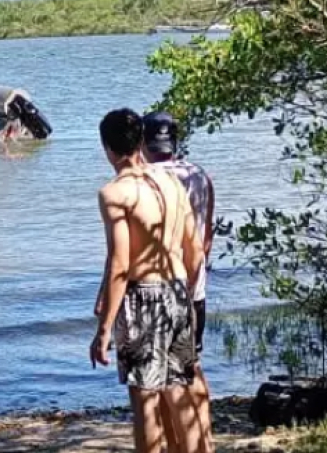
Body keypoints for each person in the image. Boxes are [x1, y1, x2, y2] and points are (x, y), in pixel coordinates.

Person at [90, 108, 209, 453]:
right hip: (177, 290)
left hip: (143, 297)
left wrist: (103, 330)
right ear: (141, 141)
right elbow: (195, 250)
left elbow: (119, 264)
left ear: (107, 148)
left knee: (145, 402)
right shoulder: (172, 183)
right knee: (180, 394)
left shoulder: (115, 193)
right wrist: (183, 294)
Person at [142, 111, 216, 452]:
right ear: (175, 141)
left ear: (143, 143)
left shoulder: (145, 180)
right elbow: (205, 237)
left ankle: (178, 447)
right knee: (191, 368)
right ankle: (205, 442)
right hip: (194, 289)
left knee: (159, 384)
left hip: (160, 290)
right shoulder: (199, 175)